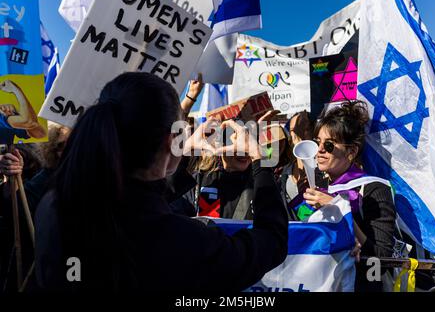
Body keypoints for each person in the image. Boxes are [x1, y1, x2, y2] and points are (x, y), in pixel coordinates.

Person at [34, 72, 288, 292]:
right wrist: (260, 160)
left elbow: (137, 204)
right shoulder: (182, 241)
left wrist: (184, 151)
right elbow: (271, 241)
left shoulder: (54, 204)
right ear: (171, 141)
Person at [302, 100, 397, 292]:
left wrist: (338, 209)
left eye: (329, 145)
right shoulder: (318, 189)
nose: (319, 150)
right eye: (317, 142)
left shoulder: (374, 189)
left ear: (351, 152)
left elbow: (381, 258)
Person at [0, 80, 47, 145]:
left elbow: (40, 134)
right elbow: (29, 122)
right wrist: (16, 90)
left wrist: (14, 114)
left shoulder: (4, 113)